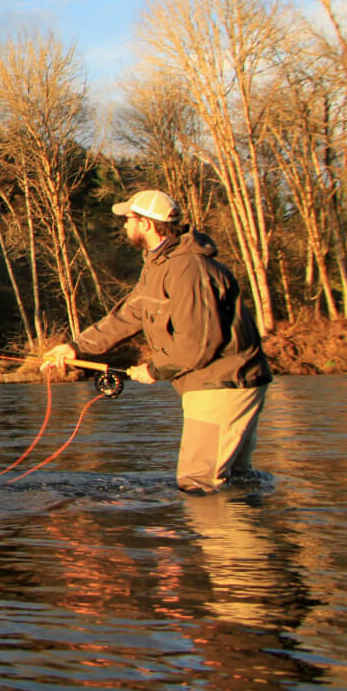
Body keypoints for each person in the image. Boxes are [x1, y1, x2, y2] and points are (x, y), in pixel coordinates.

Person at [42, 189, 273, 492]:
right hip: (220, 383)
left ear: (146, 225)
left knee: (198, 483)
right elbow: (128, 315)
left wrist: (154, 369)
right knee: (236, 480)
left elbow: (198, 342)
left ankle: (224, 537)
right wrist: (76, 347)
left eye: (128, 220)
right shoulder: (160, 266)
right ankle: (255, 527)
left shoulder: (187, 268)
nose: (124, 226)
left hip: (222, 384)